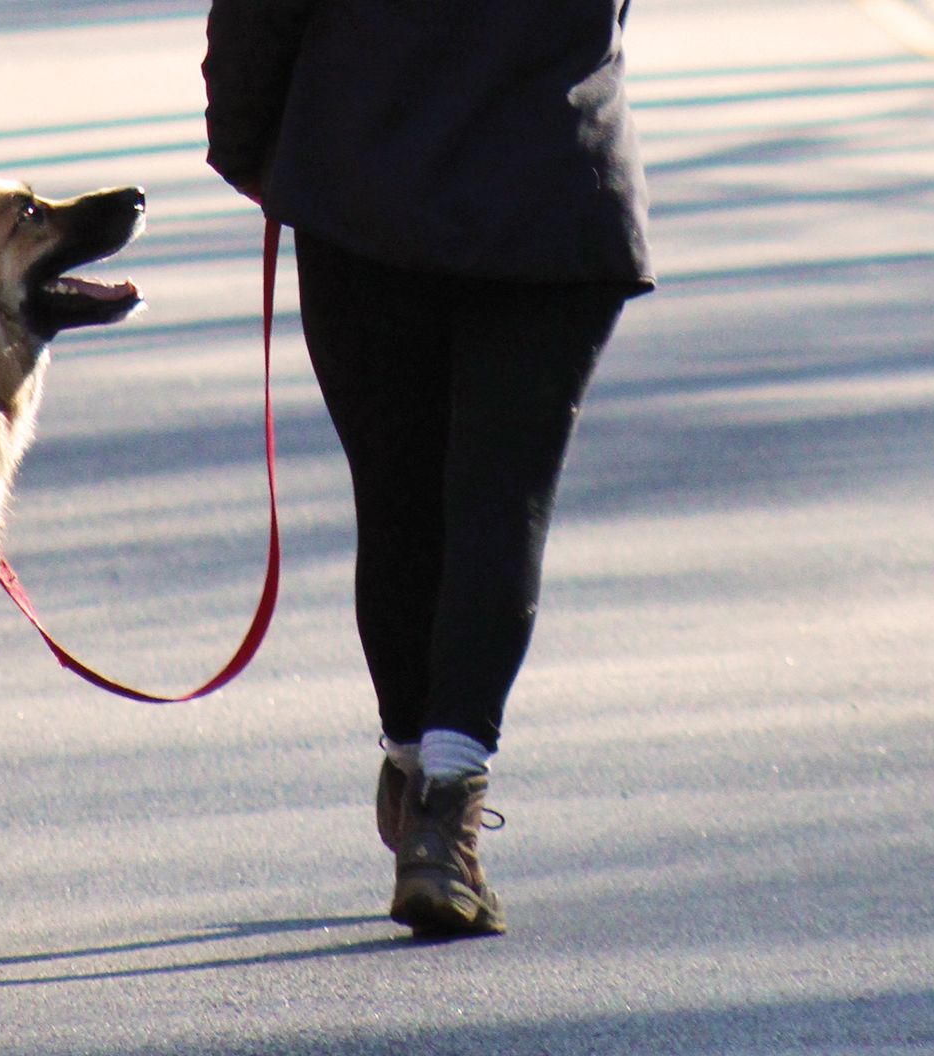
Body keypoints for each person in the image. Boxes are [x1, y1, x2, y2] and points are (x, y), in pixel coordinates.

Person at [203, 0, 655, 937]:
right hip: (553, 180)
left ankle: (418, 772)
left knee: (400, 498)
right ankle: (444, 805)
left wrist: (252, 142)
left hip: (366, 179)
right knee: (503, 501)